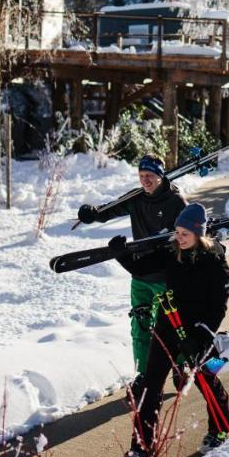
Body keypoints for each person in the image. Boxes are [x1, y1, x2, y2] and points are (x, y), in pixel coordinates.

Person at [110, 202, 229, 457]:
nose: (179, 237)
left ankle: (221, 429)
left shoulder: (214, 262)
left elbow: (219, 305)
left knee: (206, 377)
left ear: (199, 233)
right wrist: (122, 256)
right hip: (168, 323)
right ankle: (141, 447)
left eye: (184, 234)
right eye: (177, 232)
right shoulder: (172, 252)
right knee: (151, 386)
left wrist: (202, 335)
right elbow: (142, 268)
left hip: (199, 330)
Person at [78, 154, 187, 377]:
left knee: (173, 326)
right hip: (140, 275)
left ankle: (180, 367)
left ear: (160, 175)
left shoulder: (176, 201)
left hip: (167, 275)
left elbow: (188, 235)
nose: (145, 180)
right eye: (141, 176)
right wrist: (92, 214)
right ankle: (143, 375)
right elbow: (110, 210)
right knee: (140, 326)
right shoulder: (136, 198)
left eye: (149, 175)